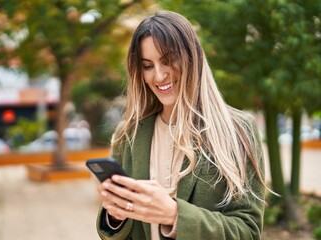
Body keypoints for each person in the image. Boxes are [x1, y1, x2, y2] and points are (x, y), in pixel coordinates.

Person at [96, 10, 267, 240]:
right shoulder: (128, 135)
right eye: (148, 66)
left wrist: (175, 215)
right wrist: (115, 216)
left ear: (191, 57)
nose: (158, 76)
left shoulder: (237, 130)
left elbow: (248, 231)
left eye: (167, 60)